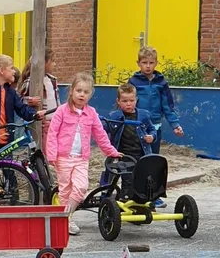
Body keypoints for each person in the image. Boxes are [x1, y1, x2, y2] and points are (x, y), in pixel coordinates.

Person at [45, 73, 121, 236]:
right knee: (65, 190)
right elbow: (52, 133)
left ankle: (67, 215)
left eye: (85, 92)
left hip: (81, 158)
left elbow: (100, 134)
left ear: (90, 94)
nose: (81, 94)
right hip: (63, 157)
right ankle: (65, 220)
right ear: (71, 91)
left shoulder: (91, 113)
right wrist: (51, 154)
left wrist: (111, 151)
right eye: (79, 90)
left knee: (80, 187)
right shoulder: (61, 111)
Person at [127, 46, 184, 207]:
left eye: (151, 63)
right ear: (138, 63)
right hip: (137, 126)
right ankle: (135, 193)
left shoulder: (161, 82)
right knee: (137, 160)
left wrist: (175, 124)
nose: (148, 66)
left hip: (155, 127)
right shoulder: (134, 81)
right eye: (144, 62)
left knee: (153, 161)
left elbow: (168, 106)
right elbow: (127, 102)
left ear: (156, 63)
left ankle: (153, 195)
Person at [102, 84, 157, 199]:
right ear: (118, 101)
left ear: (136, 100)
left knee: (144, 177)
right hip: (123, 154)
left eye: (131, 100)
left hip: (142, 153)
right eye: (125, 101)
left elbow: (152, 129)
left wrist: (151, 136)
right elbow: (104, 128)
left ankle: (143, 200)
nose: (128, 103)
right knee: (127, 178)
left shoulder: (143, 115)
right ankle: (124, 199)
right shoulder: (114, 116)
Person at [18, 50, 60, 152]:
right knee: (42, 150)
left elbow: (56, 100)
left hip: (54, 121)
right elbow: (19, 100)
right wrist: (29, 101)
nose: (55, 64)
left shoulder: (52, 80)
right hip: (41, 122)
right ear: (44, 63)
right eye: (52, 61)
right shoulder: (31, 81)